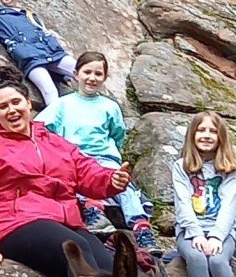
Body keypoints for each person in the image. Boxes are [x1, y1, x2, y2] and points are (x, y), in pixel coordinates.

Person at [0, 79, 131, 277]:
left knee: (112, 268)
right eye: (3, 107)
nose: (11, 110)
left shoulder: (53, 141)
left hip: (63, 221)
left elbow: (86, 171)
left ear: (29, 104)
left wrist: (111, 179)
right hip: (14, 223)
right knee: (75, 249)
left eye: (16, 102)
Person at [35, 50, 156, 248]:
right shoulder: (62, 104)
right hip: (76, 158)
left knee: (123, 186)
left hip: (105, 158)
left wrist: (112, 155)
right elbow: (40, 127)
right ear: (76, 74)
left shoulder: (109, 106)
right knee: (77, 179)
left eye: (98, 74)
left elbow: (117, 134)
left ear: (105, 78)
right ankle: (94, 211)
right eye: (87, 72)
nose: (92, 78)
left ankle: (141, 227)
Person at [171, 111, 236, 277]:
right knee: (197, 258)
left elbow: (229, 206)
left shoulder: (230, 169)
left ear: (220, 137)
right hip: (189, 231)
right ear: (192, 135)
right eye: (201, 130)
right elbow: (183, 204)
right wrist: (197, 234)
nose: (206, 135)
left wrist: (217, 236)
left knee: (218, 260)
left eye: (212, 131)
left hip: (221, 231)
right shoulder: (182, 166)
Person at [0, 0, 74, 108]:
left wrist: (62, 76)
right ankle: (56, 126)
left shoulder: (29, 13)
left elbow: (43, 32)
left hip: (51, 52)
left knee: (80, 69)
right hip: (29, 58)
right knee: (49, 91)